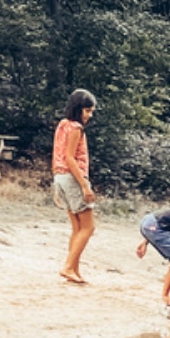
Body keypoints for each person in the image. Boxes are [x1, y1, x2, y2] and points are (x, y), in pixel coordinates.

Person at [52, 90, 101, 284]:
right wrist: (85, 186)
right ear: (78, 108)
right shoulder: (76, 128)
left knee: (77, 228)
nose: (89, 115)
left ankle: (74, 270)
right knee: (89, 227)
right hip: (72, 178)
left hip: (60, 177)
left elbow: (57, 155)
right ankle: (67, 267)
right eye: (87, 110)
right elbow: (70, 158)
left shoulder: (62, 125)